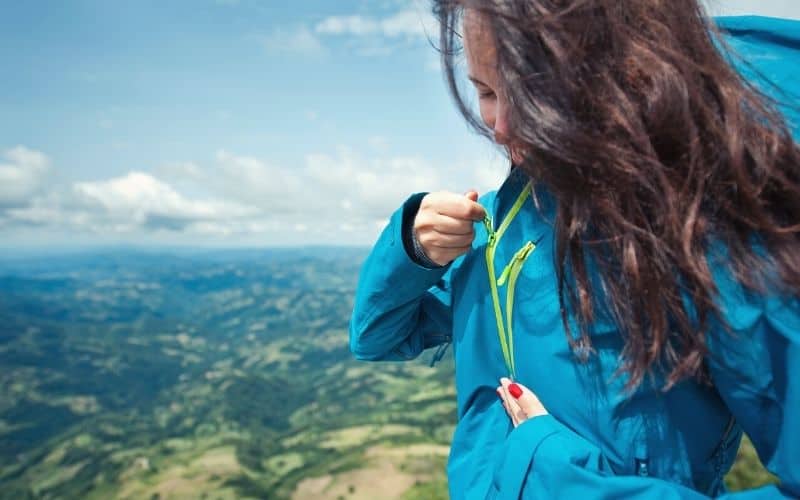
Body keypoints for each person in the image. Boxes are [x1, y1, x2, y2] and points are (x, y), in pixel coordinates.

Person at [350, 1, 800, 498]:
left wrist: (564, 482)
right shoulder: (496, 223)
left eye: (529, 90)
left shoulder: (704, 225)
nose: (499, 127)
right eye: (485, 92)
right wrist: (410, 246)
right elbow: (377, 336)